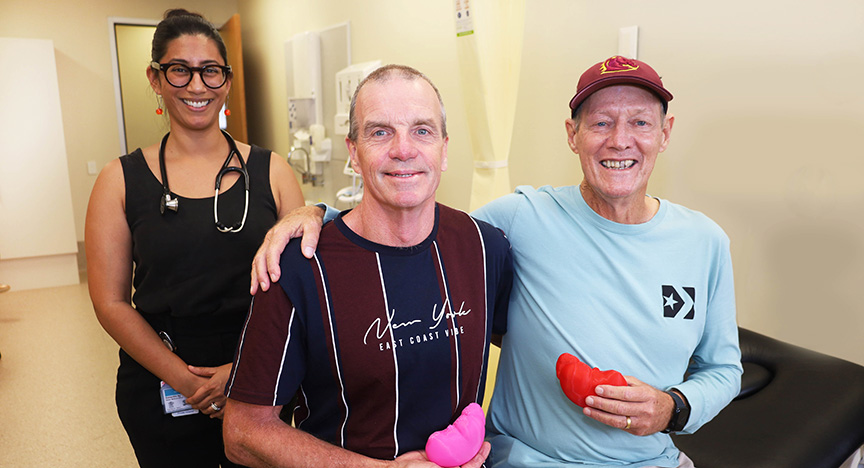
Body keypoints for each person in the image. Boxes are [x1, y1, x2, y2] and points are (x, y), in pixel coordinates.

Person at [249, 56, 742, 468]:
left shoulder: (704, 242)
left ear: (665, 133)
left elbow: (723, 369)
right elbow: (410, 225)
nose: (620, 140)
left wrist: (673, 407)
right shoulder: (521, 218)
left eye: (640, 122)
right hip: (527, 460)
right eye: (600, 123)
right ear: (572, 135)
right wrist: (315, 215)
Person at [222, 64, 513, 468]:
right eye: (380, 132)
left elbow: (532, 344)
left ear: (444, 150)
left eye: (422, 131)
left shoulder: (486, 249)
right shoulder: (298, 267)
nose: (403, 149)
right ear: (354, 154)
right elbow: (242, 433)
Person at [85, 9, 303, 468]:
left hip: (263, 371)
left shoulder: (274, 172)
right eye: (180, 70)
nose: (197, 86)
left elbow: (302, 288)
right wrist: (189, 383)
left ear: (226, 80)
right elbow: (111, 303)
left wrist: (242, 373)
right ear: (157, 78)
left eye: (210, 71)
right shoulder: (120, 180)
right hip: (161, 378)